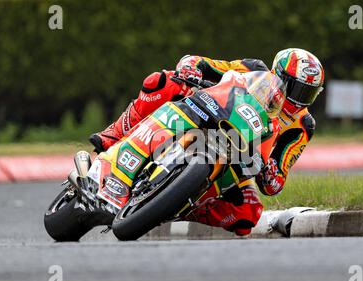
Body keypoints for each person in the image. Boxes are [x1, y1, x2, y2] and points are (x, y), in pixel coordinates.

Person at [91, 49, 324, 236]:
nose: (300, 100)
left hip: (238, 160)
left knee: (248, 214)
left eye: (309, 94)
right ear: (279, 75)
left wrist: (272, 174)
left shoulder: (304, 125)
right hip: (208, 114)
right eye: (298, 89)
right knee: (162, 82)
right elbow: (212, 65)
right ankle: (114, 134)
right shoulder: (254, 69)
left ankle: (176, 204)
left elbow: (279, 176)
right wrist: (192, 66)